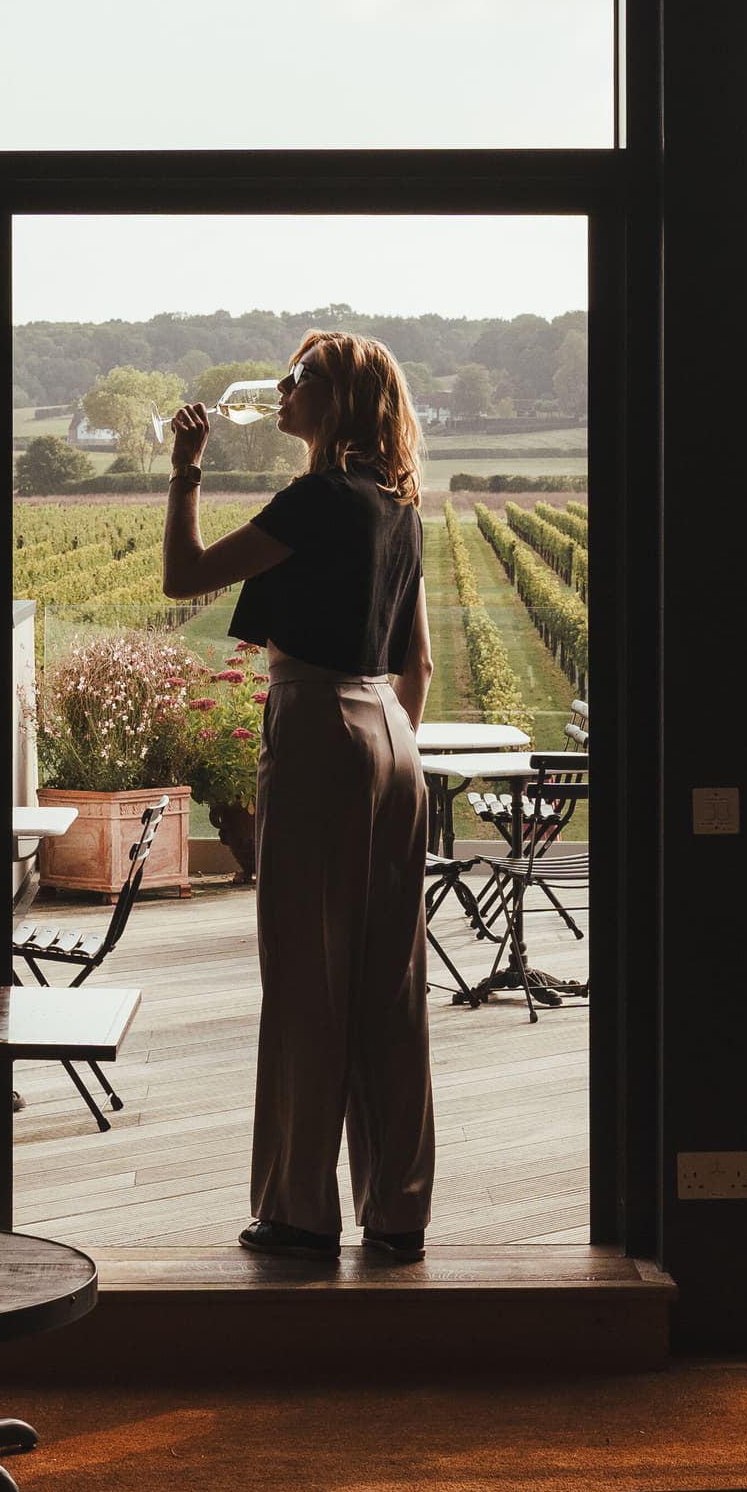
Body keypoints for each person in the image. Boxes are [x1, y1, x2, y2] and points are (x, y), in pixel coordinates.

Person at [159, 332, 436, 1263]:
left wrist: (185, 473)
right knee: (390, 983)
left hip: (319, 723)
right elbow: (419, 663)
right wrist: (386, 741)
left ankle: (299, 1212)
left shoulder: (316, 498)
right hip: (395, 740)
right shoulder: (401, 507)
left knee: (307, 976)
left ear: (341, 402)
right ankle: (398, 1212)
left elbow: (183, 577)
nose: (282, 389)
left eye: (301, 378)